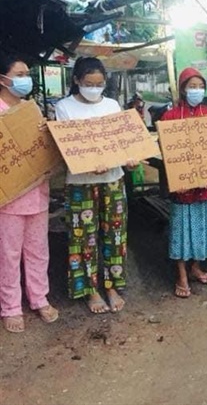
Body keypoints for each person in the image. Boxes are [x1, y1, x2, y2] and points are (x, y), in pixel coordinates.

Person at [56, 57, 138, 313]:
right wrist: (89, 161)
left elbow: (123, 142)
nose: (94, 88)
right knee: (84, 239)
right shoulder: (64, 107)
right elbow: (66, 148)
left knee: (115, 236)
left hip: (112, 180)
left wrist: (131, 159)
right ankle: (90, 290)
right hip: (81, 182)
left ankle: (112, 286)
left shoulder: (113, 105)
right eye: (89, 83)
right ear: (77, 81)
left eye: (99, 83)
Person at [0, 53, 58, 333]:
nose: (26, 79)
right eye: (19, 74)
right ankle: (10, 306)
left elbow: (44, 151)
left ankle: (39, 298)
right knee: (7, 254)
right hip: (7, 200)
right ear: (3, 79)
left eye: (27, 74)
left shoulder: (31, 111)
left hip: (38, 192)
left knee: (38, 251)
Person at [159, 67, 207, 298]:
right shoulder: (170, 117)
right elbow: (167, 155)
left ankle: (196, 266)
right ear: (183, 89)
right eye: (192, 86)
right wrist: (176, 178)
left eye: (200, 86)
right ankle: (182, 275)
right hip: (183, 189)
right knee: (181, 230)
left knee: (204, 227)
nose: (197, 90)